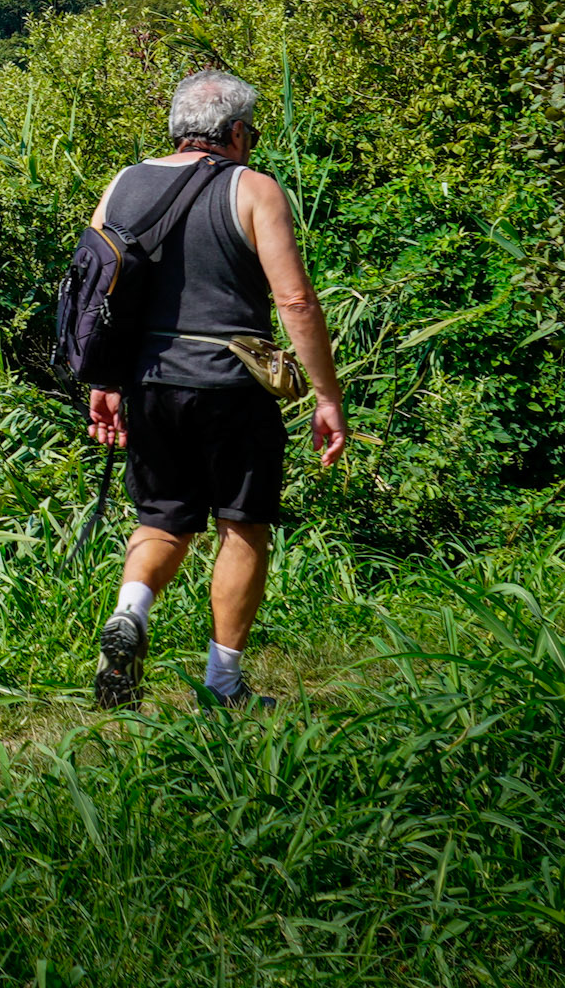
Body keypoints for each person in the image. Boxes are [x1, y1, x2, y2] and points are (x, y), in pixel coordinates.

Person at [88, 69, 347, 710]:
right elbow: (294, 299)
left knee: (161, 519)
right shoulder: (253, 188)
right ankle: (223, 685)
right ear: (234, 132)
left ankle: (131, 611)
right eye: (250, 133)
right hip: (231, 383)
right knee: (242, 525)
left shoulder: (123, 184)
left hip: (149, 382)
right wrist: (325, 395)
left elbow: (98, 291)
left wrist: (105, 380)